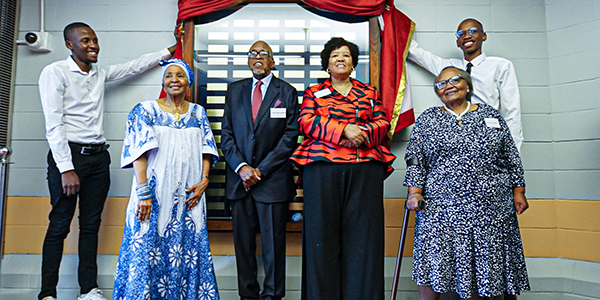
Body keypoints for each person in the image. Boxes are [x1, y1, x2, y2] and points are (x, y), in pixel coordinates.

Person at [38, 22, 176, 300]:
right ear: (70, 45)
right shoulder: (55, 73)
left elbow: (132, 67)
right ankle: (47, 294)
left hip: (99, 158)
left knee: (91, 225)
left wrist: (169, 51)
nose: (93, 45)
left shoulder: (99, 73)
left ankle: (88, 289)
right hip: (69, 158)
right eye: (86, 41)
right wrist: (66, 168)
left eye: (95, 40)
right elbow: (54, 125)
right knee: (59, 225)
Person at [403, 66, 530, 300]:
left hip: (490, 207)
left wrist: (519, 191)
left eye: (454, 80)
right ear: (438, 93)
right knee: (434, 261)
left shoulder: (491, 116)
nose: (448, 86)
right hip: (440, 206)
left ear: (468, 84)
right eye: (441, 84)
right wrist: (414, 192)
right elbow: (414, 158)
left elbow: (510, 155)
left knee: (481, 264)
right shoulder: (428, 119)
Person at [290, 37, 396, 300]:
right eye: (335, 55)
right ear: (327, 64)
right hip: (322, 169)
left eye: (346, 55)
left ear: (353, 63)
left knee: (364, 240)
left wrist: (360, 133)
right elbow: (305, 121)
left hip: (364, 169)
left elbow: (383, 121)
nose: (341, 58)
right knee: (321, 239)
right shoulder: (314, 92)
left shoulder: (369, 92)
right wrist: (342, 130)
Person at [112, 59, 220, 299]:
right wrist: (143, 192)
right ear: (163, 80)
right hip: (152, 195)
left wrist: (204, 180)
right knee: (147, 246)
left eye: (180, 76)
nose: (174, 80)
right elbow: (138, 152)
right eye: (169, 75)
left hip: (189, 196)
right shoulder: (145, 110)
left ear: (188, 83)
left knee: (188, 249)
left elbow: (207, 151)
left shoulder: (198, 113)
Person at [221, 40, 299, 300]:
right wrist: (242, 168)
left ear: (272, 61)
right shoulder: (234, 91)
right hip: (239, 183)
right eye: (252, 53)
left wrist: (260, 170)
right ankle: (248, 296)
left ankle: (273, 297)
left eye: (263, 53)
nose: (257, 57)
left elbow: (290, 137)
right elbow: (227, 135)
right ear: (247, 60)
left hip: (272, 181)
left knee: (273, 248)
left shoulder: (286, 91)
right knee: (243, 248)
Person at [407, 18, 524, 151]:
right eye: (461, 34)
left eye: (473, 31)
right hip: (457, 133)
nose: (467, 36)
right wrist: (389, 21)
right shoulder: (450, 68)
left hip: (487, 132)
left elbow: (512, 111)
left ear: (483, 36)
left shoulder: (500, 66)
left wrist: (513, 155)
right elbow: (418, 54)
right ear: (457, 42)